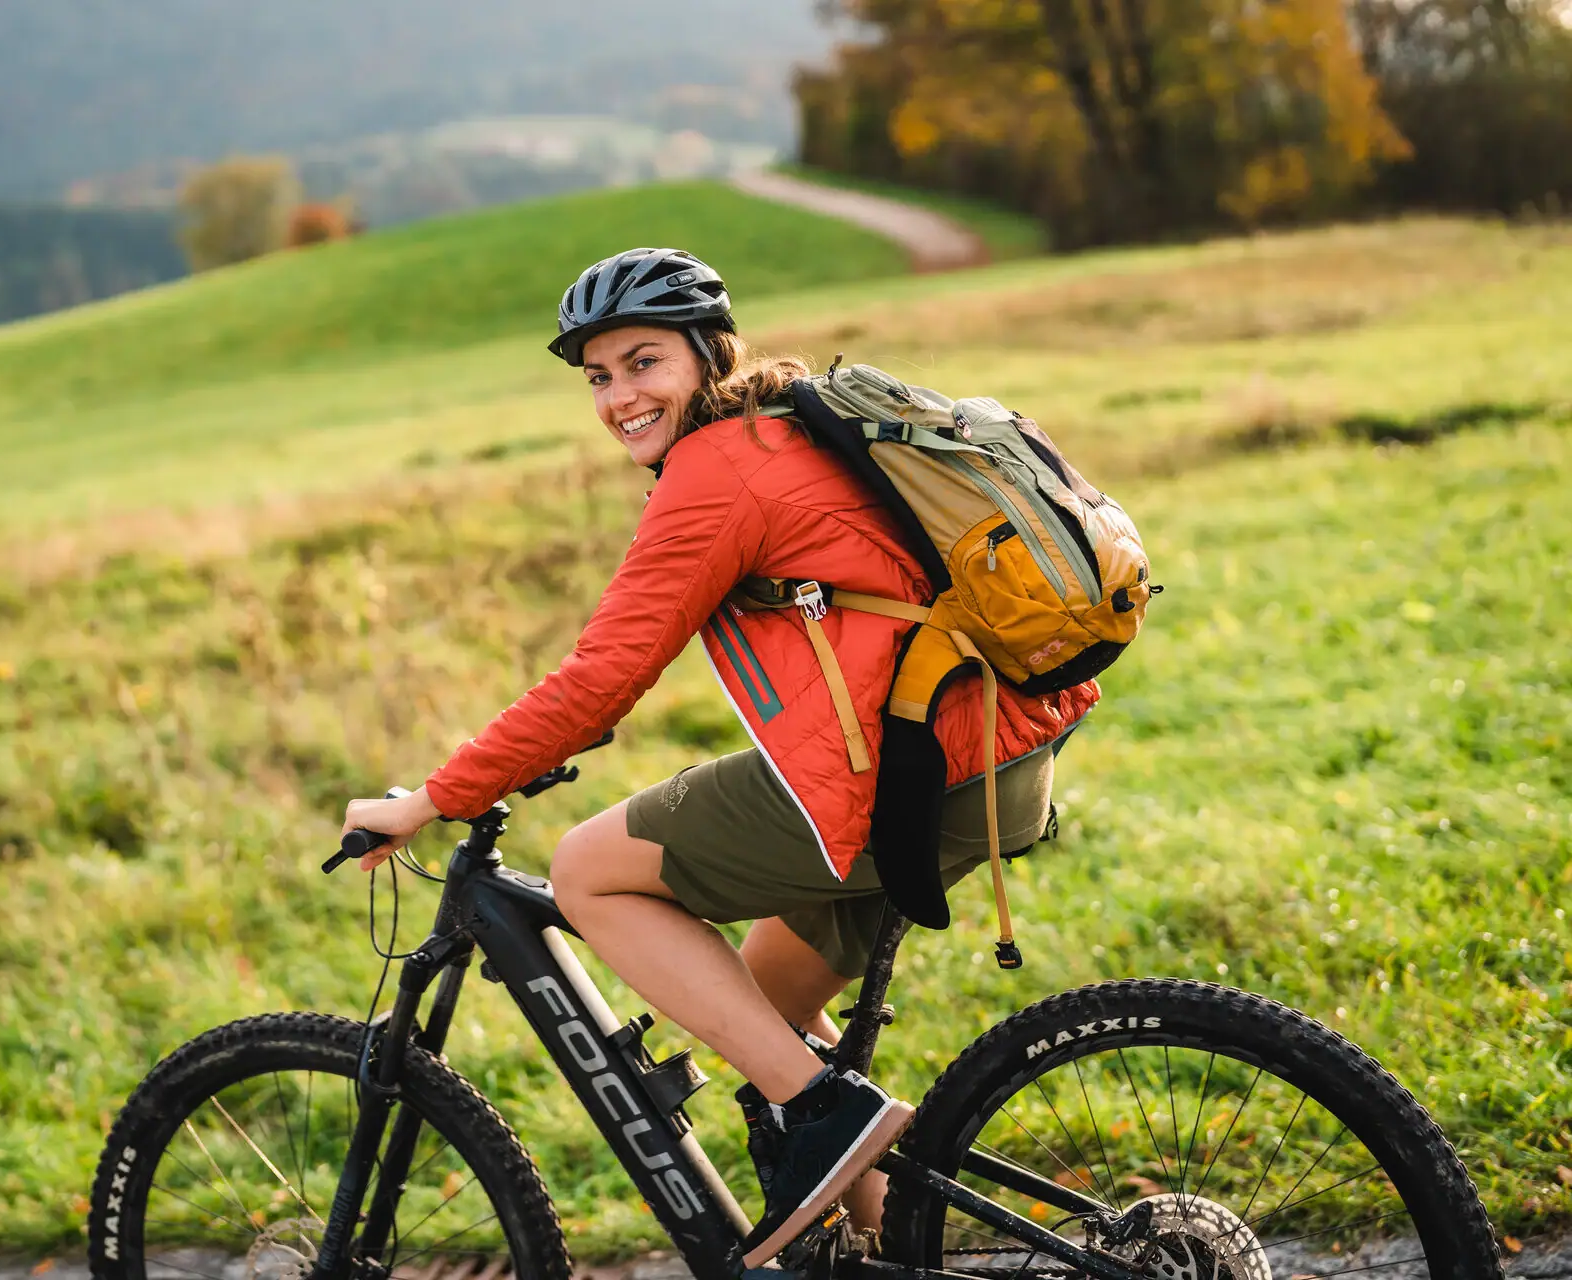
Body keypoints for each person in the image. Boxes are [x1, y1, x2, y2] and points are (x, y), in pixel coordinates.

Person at [339, 247, 1096, 1264]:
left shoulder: (716, 470)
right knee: (764, 1006)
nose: (619, 397)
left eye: (643, 362)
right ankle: (886, 1244)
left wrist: (432, 798)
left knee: (588, 870)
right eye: (597, 377)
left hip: (914, 769)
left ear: (709, 354)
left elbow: (602, 677)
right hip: (990, 757)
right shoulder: (783, 423)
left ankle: (821, 1114)